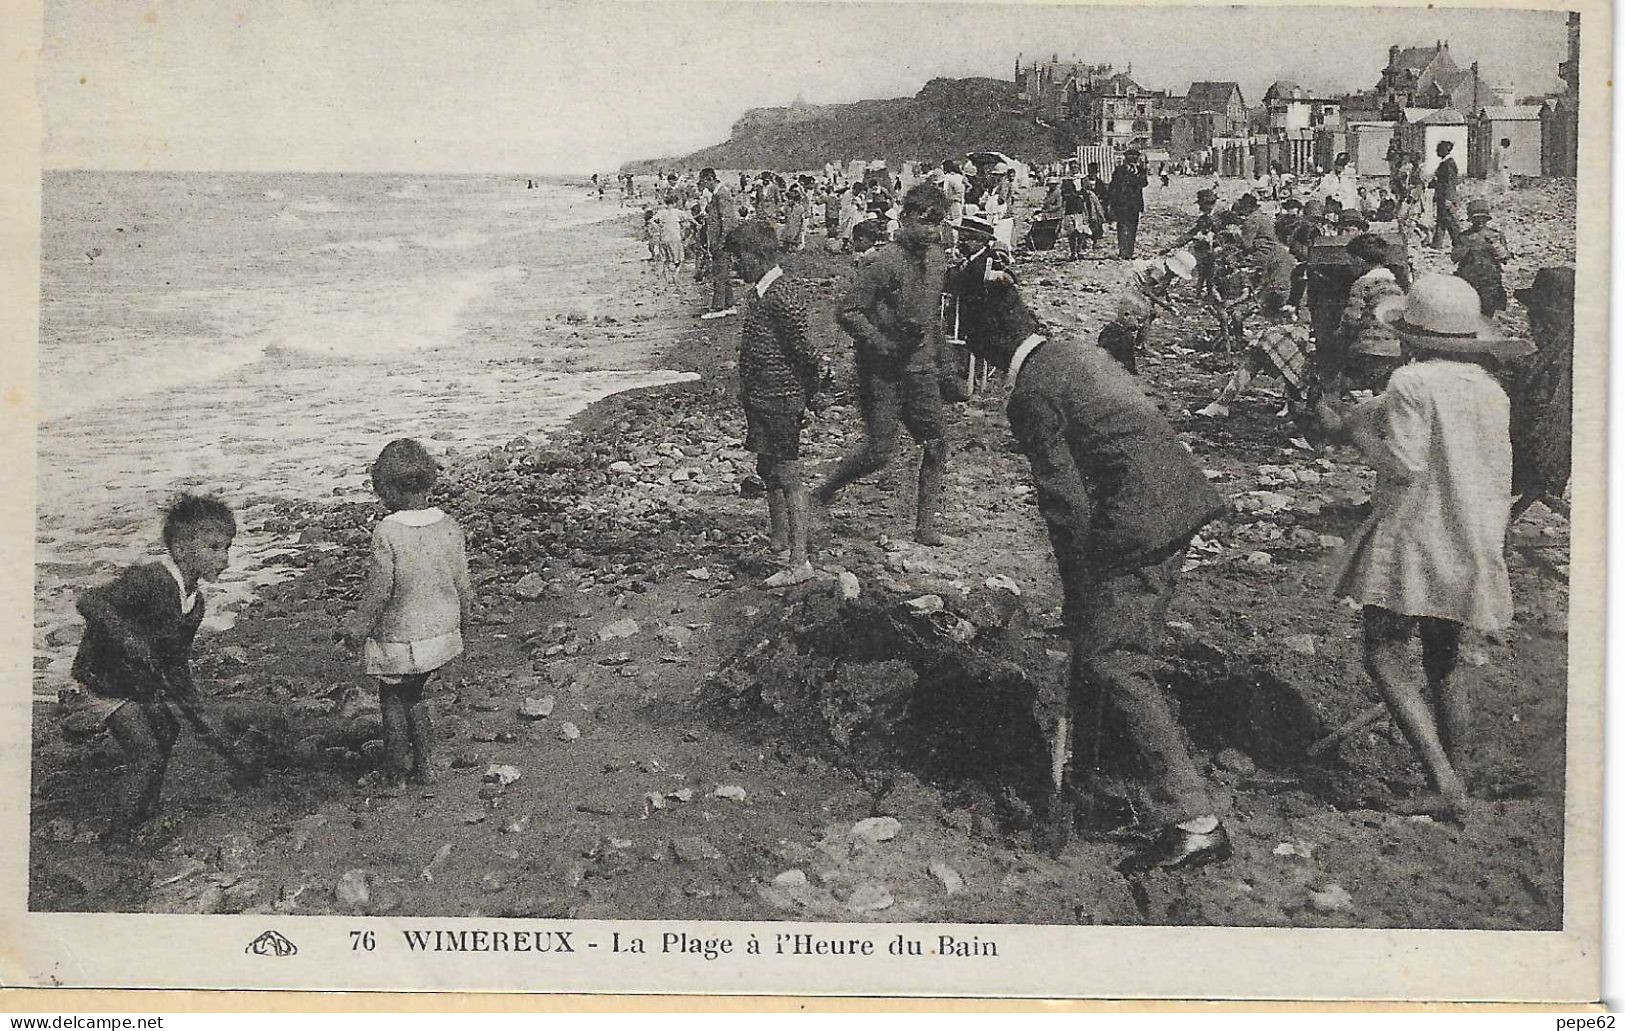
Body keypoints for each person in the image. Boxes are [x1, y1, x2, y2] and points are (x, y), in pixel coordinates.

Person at [953, 275, 1232, 871]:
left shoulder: (1030, 392)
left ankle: (1194, 819)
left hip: (1142, 518)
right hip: (1170, 498)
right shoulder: (1073, 350)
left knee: (1113, 657)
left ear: (985, 346)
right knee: (1100, 648)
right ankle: (1091, 782)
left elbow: (1066, 505)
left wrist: (1077, 591)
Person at [1318, 275, 1531, 817]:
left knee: (1384, 651)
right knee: (1444, 660)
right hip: (1472, 532)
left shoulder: (1411, 383)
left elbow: (1405, 465)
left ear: (1409, 336)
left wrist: (1351, 429)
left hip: (1419, 532)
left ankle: (1442, 779)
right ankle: (1456, 777)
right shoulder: (1489, 389)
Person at [73, 494, 252, 841]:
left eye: (227, 548)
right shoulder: (152, 580)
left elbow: (175, 663)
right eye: (214, 548)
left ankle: (146, 805)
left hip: (135, 682)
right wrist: (126, 637)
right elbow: (89, 600)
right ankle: (119, 835)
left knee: (168, 731)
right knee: (147, 754)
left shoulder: (194, 603)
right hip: (104, 678)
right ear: (182, 550)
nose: (225, 559)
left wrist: (197, 712)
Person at [814, 183, 954, 546]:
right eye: (924, 222)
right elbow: (848, 310)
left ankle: (925, 528)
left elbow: (932, 315)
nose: (931, 231)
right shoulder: (883, 262)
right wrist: (880, 342)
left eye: (937, 223)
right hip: (884, 370)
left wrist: (946, 363)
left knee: (937, 444)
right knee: (879, 452)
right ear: (904, 217)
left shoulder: (936, 259)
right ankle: (825, 490)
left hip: (921, 367)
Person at [340, 439, 473, 789]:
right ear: (429, 481)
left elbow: (380, 592)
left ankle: (395, 768)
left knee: (393, 697)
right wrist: (466, 625)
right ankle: (426, 765)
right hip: (442, 633)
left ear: (384, 488)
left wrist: (357, 628)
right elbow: (463, 584)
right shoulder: (449, 525)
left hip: (403, 638)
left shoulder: (387, 531)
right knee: (417, 695)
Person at [726, 221, 823, 586]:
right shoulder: (761, 293)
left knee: (787, 475)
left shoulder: (782, 294)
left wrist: (810, 395)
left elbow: (803, 352)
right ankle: (780, 542)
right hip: (763, 397)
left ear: (759, 255)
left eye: (739, 258)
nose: (735, 265)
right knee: (768, 470)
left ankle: (800, 561)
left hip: (780, 398)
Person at [1509, 267, 1574, 520]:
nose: (1533, 325)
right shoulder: (1561, 351)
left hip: (1537, 471)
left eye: (1538, 318)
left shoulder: (1559, 361)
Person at [1196, 289, 1312, 419]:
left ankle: (1294, 402)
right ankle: (1223, 402)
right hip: (1312, 331)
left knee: (1288, 344)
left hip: (1328, 339)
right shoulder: (1313, 278)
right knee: (1266, 341)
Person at [1340, 233, 1408, 391]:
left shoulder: (1362, 284)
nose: (1349, 265)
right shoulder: (1395, 285)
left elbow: (1351, 318)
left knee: (1343, 385)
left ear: (1360, 260)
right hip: (1394, 350)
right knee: (1381, 390)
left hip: (1369, 349)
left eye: (1350, 260)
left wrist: (1339, 335)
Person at [1452, 199, 1512, 316]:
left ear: (1487, 219)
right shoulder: (1464, 237)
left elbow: (1505, 258)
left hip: (1490, 282)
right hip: (1468, 280)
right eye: (1476, 218)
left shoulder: (1496, 235)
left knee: (1487, 314)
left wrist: (1496, 248)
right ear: (1471, 219)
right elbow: (1454, 257)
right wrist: (1468, 247)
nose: (1479, 222)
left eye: (1482, 218)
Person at [699, 168, 740, 319]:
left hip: (722, 242)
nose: (703, 186)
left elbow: (727, 221)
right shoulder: (718, 194)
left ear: (710, 179)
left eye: (704, 182)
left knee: (719, 274)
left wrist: (722, 242)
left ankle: (718, 308)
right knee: (724, 273)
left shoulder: (721, 194)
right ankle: (729, 305)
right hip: (720, 241)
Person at [1107, 150, 1149, 258]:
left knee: (1132, 228)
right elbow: (1113, 186)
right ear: (1126, 157)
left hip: (1134, 204)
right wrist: (1112, 202)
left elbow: (1144, 183)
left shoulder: (1140, 170)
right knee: (1121, 227)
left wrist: (1141, 172)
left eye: (1135, 156)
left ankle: (1129, 251)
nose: (1133, 158)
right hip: (1122, 204)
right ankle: (1122, 250)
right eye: (1130, 156)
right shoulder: (1120, 170)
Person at [1430, 141, 1462, 249]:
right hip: (1442, 196)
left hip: (1446, 196)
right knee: (1441, 220)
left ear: (1445, 150)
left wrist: (1448, 198)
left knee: (1451, 221)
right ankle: (1436, 244)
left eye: (1439, 149)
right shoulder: (1445, 163)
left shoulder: (1448, 163)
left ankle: (1459, 243)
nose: (1437, 152)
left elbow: (1449, 182)